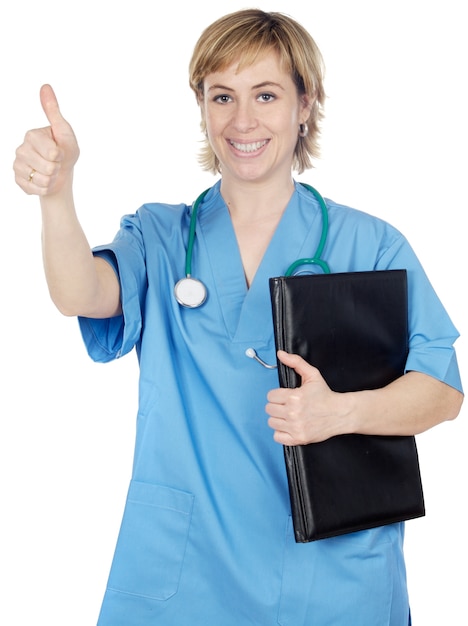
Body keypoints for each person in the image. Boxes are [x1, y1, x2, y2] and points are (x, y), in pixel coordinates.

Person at [13, 9, 463, 626]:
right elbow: (80, 293)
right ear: (201, 106)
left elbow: (442, 390)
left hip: (331, 576)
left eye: (267, 95)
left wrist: (342, 411)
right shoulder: (162, 236)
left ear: (305, 105)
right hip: (187, 572)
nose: (242, 120)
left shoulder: (372, 245)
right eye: (222, 95)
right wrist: (57, 193)